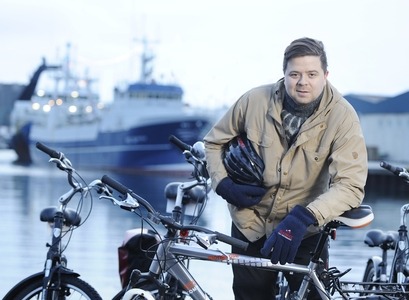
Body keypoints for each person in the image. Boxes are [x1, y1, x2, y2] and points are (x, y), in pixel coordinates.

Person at [203, 37, 368, 299]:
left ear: (325, 75)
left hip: (305, 231)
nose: (303, 82)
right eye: (295, 74)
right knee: (250, 295)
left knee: (312, 295)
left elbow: (350, 185)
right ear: (284, 74)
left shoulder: (343, 117)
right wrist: (223, 184)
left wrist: (303, 218)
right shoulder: (253, 100)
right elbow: (213, 143)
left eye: (312, 74)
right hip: (250, 224)